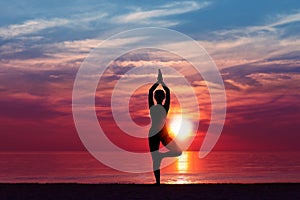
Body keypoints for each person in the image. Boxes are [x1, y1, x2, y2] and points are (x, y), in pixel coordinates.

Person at [148, 69, 182, 185]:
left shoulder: (152, 107)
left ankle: (158, 180)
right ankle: (157, 181)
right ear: (162, 98)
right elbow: (167, 92)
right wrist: (162, 82)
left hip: (156, 133)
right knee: (178, 152)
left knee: (156, 158)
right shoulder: (165, 107)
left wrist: (158, 82)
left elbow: (150, 91)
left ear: (156, 97)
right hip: (162, 133)